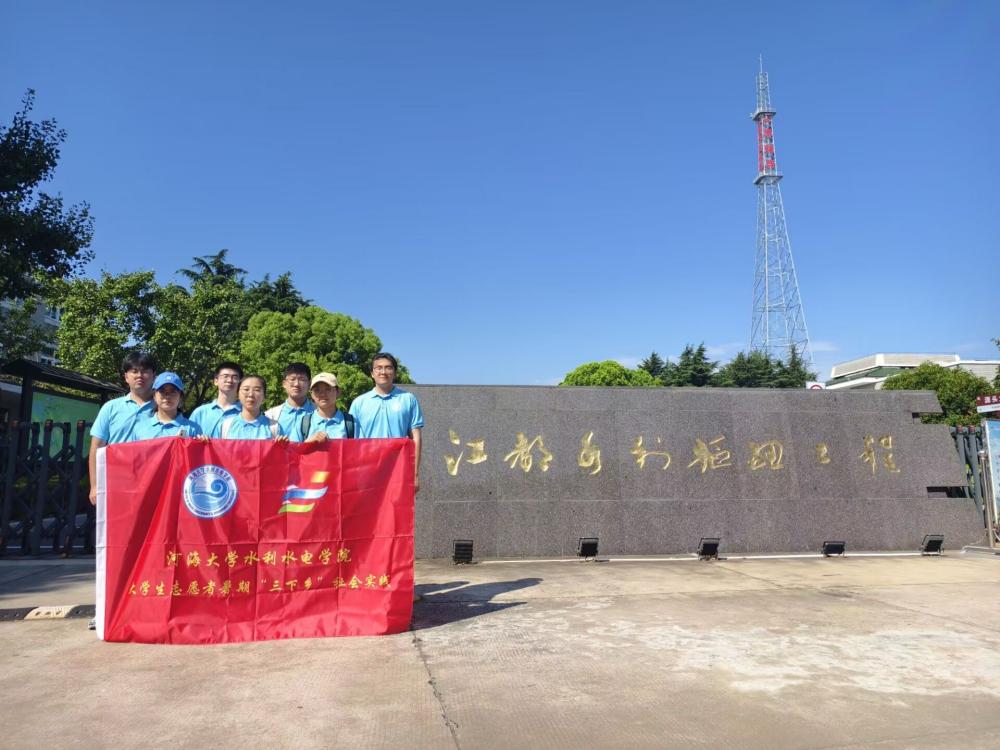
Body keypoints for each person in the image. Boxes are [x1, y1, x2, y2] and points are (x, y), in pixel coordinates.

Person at [88, 351, 159, 506]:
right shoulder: (111, 407)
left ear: (154, 376)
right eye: (134, 371)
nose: (139, 375)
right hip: (114, 482)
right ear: (126, 377)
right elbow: (96, 446)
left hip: (151, 485)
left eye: (145, 371)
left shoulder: (163, 409)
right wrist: (94, 485)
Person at [349, 352, 423, 492]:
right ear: (372, 373)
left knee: (398, 506)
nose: (383, 372)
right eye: (379, 368)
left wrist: (414, 473)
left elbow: (416, 437)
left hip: (398, 468)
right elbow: (352, 441)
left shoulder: (408, 399)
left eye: (388, 368)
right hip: (367, 469)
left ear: (395, 372)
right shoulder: (359, 402)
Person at [133, 372, 206, 441]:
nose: (167, 396)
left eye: (173, 392)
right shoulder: (141, 428)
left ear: (180, 397)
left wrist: (203, 443)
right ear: (154, 396)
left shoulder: (193, 429)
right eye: (162, 391)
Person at [219, 375, 288, 441]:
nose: (251, 394)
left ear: (264, 397)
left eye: (257, 390)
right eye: (246, 389)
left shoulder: (274, 427)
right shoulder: (226, 425)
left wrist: (282, 446)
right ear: (237, 395)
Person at [189, 361, 243, 437]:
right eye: (225, 376)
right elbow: (187, 440)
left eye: (235, 377)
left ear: (240, 382)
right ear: (216, 381)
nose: (229, 380)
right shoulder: (200, 413)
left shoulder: (246, 413)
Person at [265, 363, 316, 442]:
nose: (296, 384)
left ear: (309, 384)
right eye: (292, 379)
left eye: (302, 379)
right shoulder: (271, 416)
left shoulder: (319, 412)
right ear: (284, 384)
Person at [302, 372, 356, 442]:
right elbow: (295, 448)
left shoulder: (351, 422)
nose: (322, 394)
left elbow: (361, 447)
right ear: (311, 394)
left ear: (338, 392)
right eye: (317, 390)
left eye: (327, 389)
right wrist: (308, 443)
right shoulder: (303, 423)